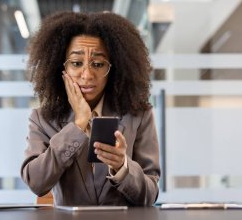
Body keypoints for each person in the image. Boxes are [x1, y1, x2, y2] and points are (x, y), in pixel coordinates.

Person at [21, 11, 160, 206]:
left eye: (98, 64)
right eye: (76, 63)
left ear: (114, 68)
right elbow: (36, 182)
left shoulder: (139, 115)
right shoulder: (42, 118)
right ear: (61, 68)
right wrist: (78, 125)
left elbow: (150, 194)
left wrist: (122, 167)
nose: (87, 75)